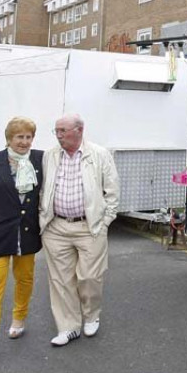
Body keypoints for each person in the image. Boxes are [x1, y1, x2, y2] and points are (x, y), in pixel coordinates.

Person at [39, 114, 119, 347]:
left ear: (80, 130)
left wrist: (105, 222)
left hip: (89, 226)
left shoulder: (99, 154)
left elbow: (112, 191)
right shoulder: (50, 155)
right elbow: (44, 187)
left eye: (63, 130)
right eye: (56, 131)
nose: (59, 135)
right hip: (56, 227)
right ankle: (68, 327)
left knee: (90, 277)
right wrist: (44, 219)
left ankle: (91, 315)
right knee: (60, 280)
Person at [0, 117, 44, 355]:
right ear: (9, 139)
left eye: (28, 137)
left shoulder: (40, 160)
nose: (24, 142)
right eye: (19, 137)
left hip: (27, 233)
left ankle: (19, 318)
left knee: (24, 279)